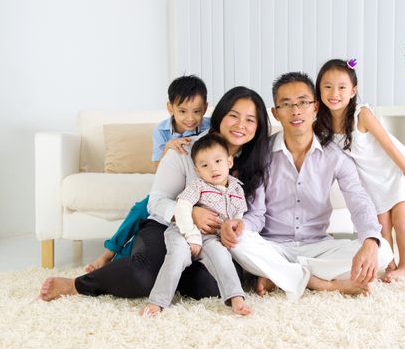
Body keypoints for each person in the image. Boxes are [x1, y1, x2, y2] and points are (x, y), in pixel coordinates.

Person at [39, 86, 270, 302]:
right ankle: (77, 285)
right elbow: (156, 201)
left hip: (213, 239)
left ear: (258, 126)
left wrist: (238, 226)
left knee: (212, 287)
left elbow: (258, 215)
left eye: (250, 120)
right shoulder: (185, 148)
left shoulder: (257, 162)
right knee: (142, 277)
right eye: (234, 115)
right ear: (219, 115)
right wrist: (190, 214)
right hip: (167, 227)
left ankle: (170, 273)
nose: (241, 124)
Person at [221, 72, 394, 298]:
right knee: (237, 241)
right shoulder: (261, 153)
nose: (296, 111)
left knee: (383, 251)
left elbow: (359, 201)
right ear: (275, 113)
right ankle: (322, 283)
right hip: (273, 245)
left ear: (315, 107)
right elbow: (257, 215)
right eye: (286, 104)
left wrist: (371, 240)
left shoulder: (336, 156)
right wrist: (240, 226)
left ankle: (278, 274)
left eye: (303, 102)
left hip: (318, 246)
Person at [314, 59, 405, 281]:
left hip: (393, 170)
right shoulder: (321, 125)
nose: (334, 93)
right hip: (370, 179)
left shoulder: (361, 115)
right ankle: (389, 264)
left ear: (353, 91)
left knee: (401, 221)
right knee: (382, 227)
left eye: (342, 87)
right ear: (319, 90)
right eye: (327, 86)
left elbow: (389, 146)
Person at [85, 75, 210, 273]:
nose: (190, 118)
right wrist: (168, 148)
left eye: (197, 111)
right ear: (170, 108)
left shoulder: (209, 127)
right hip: (169, 187)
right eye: (182, 111)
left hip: (195, 187)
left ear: (205, 108)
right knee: (141, 211)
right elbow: (157, 169)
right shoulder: (162, 130)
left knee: (152, 224)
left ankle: (123, 261)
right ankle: (110, 254)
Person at [142, 134, 250, 316]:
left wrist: (235, 225)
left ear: (229, 162)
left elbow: (238, 214)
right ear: (197, 170)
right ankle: (157, 302)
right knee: (177, 256)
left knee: (222, 258)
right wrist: (191, 235)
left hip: (211, 237)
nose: (213, 169)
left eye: (218, 161)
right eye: (205, 165)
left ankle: (236, 298)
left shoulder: (237, 188)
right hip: (183, 231)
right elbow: (182, 208)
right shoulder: (197, 185)